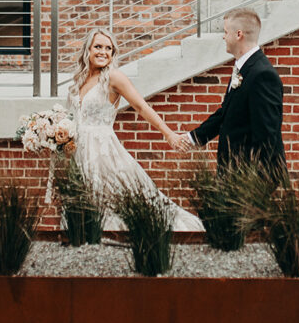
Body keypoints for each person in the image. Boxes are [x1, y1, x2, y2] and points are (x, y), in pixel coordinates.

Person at [68, 28, 203, 232]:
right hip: (79, 151)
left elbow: (142, 106)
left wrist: (168, 133)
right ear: (87, 50)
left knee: (118, 196)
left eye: (108, 48)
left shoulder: (114, 77)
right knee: (85, 200)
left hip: (103, 150)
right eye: (98, 47)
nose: (103, 52)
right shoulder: (79, 79)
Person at [177, 8, 287, 176]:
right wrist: (193, 138)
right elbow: (226, 113)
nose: (223, 36)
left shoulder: (262, 75)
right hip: (233, 173)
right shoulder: (244, 67)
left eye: (226, 32)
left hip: (249, 177)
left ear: (238, 35)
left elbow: (266, 135)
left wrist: (253, 185)